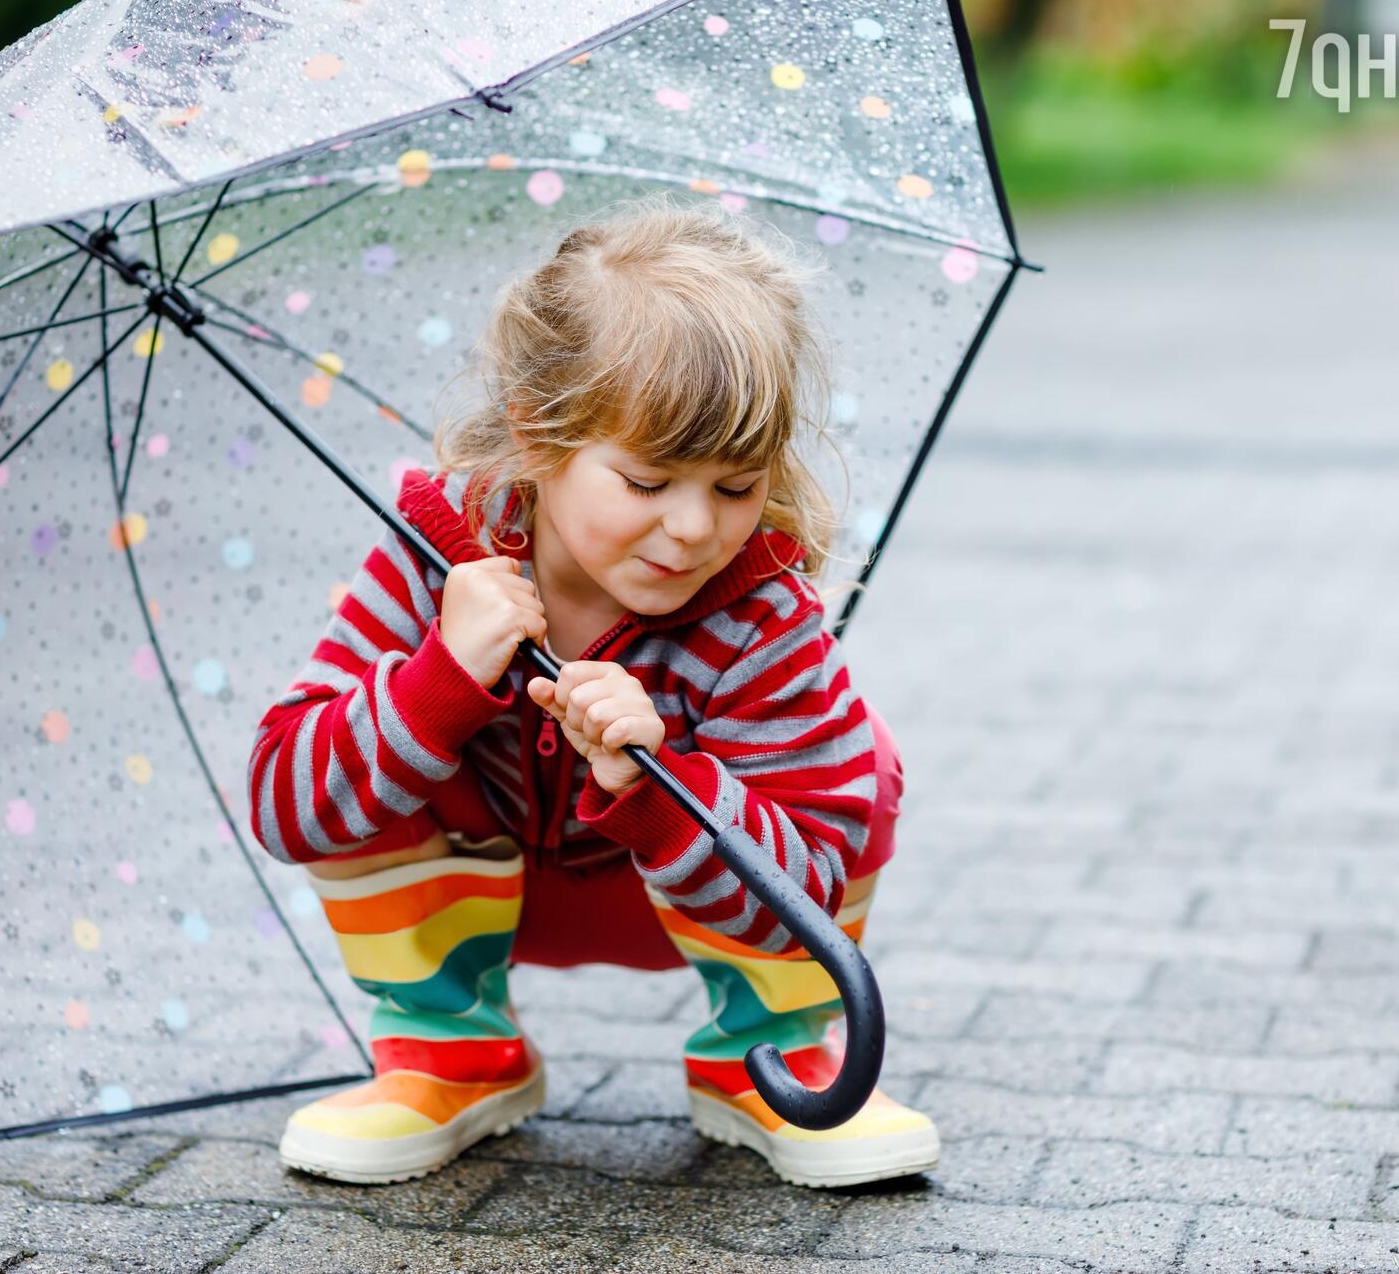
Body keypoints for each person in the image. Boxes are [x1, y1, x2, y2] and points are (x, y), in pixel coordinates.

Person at [246, 195, 937, 1189]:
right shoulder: (431, 562)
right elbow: (287, 801)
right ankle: (449, 1049)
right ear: (538, 435)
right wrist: (439, 684)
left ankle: (771, 1053)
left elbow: (813, 883)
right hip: (485, 882)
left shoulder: (761, 617)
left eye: (736, 485)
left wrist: (664, 789)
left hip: (675, 898)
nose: (696, 528)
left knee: (856, 761)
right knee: (362, 734)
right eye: (649, 482)